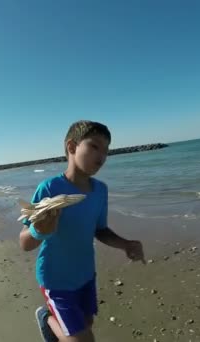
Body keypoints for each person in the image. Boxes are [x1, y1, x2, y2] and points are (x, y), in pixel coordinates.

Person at [19, 120, 145, 342]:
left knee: (86, 323)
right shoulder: (49, 189)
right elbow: (25, 242)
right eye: (95, 146)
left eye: (106, 150)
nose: (102, 156)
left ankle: (52, 322)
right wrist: (39, 230)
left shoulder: (100, 190)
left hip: (86, 275)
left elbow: (100, 230)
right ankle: (46, 317)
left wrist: (126, 244)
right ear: (71, 147)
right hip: (55, 280)